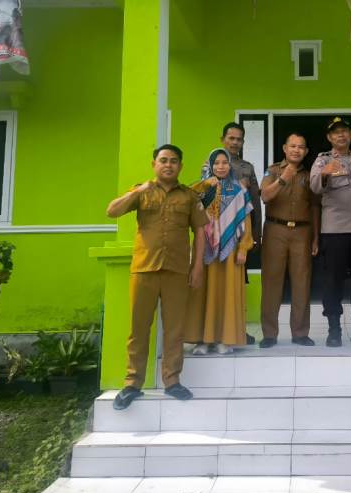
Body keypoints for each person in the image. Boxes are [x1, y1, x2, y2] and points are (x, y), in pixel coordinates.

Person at [106, 144, 208, 410]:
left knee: (174, 329)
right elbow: (112, 211)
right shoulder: (142, 191)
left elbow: (201, 232)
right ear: (154, 164)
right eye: (163, 160)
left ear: (180, 166)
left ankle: (172, 382)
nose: (168, 165)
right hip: (144, 269)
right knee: (138, 328)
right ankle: (132, 384)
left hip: (176, 271)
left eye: (174, 161)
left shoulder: (189, 196)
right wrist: (137, 192)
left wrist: (197, 267)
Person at [310, 117, 351, 347]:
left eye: (344, 131)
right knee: (332, 281)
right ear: (329, 137)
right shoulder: (323, 160)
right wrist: (325, 173)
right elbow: (315, 187)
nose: (341, 135)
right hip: (334, 231)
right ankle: (334, 330)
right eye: (336, 132)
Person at [185, 148, 254, 355]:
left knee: (227, 292)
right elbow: (185, 198)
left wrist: (244, 247)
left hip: (230, 249)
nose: (221, 167)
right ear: (210, 165)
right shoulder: (202, 188)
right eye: (216, 163)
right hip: (204, 248)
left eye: (225, 163)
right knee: (202, 292)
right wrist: (205, 184)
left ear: (230, 165)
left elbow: (246, 221)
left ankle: (225, 339)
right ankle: (203, 341)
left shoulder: (239, 190)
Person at [202, 122, 261, 346]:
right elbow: (202, 200)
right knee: (213, 286)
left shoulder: (247, 167)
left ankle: (236, 330)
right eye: (231, 138)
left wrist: (255, 235)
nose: (235, 142)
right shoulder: (209, 164)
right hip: (212, 237)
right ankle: (211, 333)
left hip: (238, 234)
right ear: (223, 139)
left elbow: (254, 202)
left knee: (236, 284)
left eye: (239, 139)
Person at [259, 133, 320, 348]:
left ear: (306, 151)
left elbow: (315, 207)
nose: (296, 150)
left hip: (302, 232)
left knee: (302, 283)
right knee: (271, 282)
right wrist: (283, 177)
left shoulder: (310, 174)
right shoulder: (272, 170)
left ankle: (300, 333)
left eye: (301, 147)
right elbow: (265, 196)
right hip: (275, 230)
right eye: (292, 146)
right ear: (285, 148)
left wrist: (315, 237)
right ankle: (269, 334)